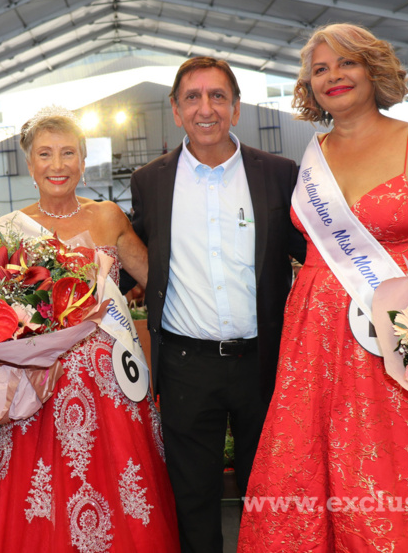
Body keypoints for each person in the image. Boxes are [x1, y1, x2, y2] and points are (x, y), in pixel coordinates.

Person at [239, 23, 408, 551]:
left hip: (401, 326)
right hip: (315, 334)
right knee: (312, 455)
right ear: (308, 86)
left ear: (372, 69)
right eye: (320, 69)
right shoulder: (309, 158)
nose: (334, 76)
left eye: (346, 63)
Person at [0, 106, 179, 552]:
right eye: (45, 154)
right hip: (41, 386)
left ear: (83, 161)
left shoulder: (107, 216)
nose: (57, 165)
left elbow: (155, 278)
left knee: (119, 480)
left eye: (69, 153)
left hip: (110, 381)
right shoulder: (8, 230)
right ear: (29, 165)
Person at [130, 56, 305, 553]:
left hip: (264, 362)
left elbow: (311, 256)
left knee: (267, 490)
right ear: (175, 109)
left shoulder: (278, 173)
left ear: (237, 107)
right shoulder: (151, 181)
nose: (205, 108)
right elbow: (127, 258)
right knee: (193, 499)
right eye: (192, 97)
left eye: (217, 96)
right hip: (187, 366)